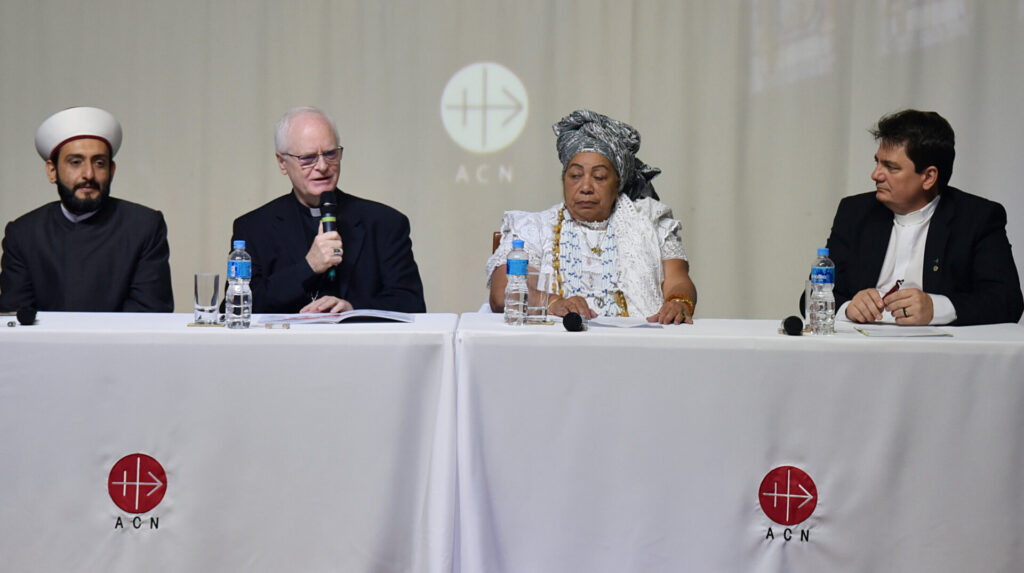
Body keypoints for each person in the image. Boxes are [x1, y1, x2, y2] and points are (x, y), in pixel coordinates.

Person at [807, 109, 1023, 326]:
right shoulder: (854, 212)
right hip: (863, 348)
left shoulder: (977, 218)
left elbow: (1007, 301)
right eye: (877, 162)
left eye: (890, 167)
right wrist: (848, 308)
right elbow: (812, 296)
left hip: (940, 352)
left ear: (928, 177)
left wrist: (936, 308)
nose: (876, 175)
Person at [487, 109, 697, 324]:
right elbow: (501, 293)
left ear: (618, 185)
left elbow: (677, 281)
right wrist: (552, 302)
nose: (585, 187)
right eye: (575, 176)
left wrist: (679, 301)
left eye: (599, 177)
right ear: (564, 180)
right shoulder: (533, 229)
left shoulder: (652, 223)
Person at [232, 107, 425, 314]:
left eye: (331, 154)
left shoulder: (385, 223)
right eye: (307, 158)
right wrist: (307, 267)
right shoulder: (254, 228)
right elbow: (236, 308)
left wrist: (354, 310)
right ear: (282, 162)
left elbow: (411, 304)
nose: (323, 166)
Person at [0, 107, 173, 312]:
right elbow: (16, 320)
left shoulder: (144, 226)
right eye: (76, 162)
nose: (89, 174)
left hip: (121, 345)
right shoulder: (23, 234)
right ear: (52, 171)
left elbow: (149, 316)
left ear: (112, 170)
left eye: (99, 163)